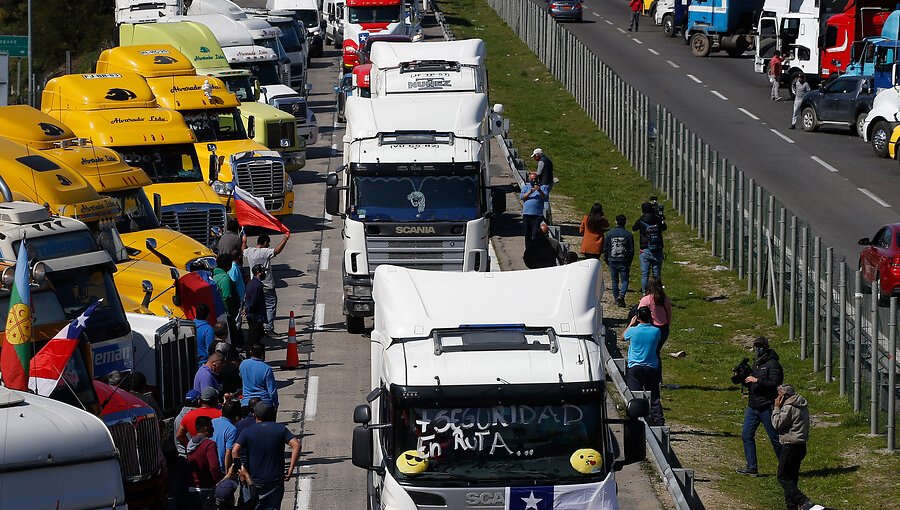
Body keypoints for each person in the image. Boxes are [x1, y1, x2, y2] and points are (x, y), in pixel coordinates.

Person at [232, 402, 302, 510]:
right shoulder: (281, 429)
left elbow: (234, 451)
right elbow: (296, 445)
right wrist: (291, 469)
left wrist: (240, 470)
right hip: (274, 479)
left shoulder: (247, 431)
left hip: (252, 479)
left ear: (255, 415)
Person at [737, 336, 784, 476]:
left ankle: (786, 467)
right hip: (753, 406)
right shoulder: (756, 364)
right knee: (746, 435)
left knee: (775, 439)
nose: (756, 349)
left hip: (767, 407)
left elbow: (775, 384)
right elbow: (752, 382)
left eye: (759, 347)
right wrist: (743, 378)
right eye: (755, 347)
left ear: (765, 348)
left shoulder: (773, 364)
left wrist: (757, 380)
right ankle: (752, 467)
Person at [772, 385, 823, 510]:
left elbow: (776, 423)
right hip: (801, 445)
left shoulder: (789, 407)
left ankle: (803, 501)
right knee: (791, 478)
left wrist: (776, 408)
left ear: (784, 396)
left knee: (782, 476)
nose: (777, 398)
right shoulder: (802, 404)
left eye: (778, 395)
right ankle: (791, 505)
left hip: (790, 445)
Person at [243, 232, 291, 335]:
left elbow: (243, 249)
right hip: (267, 285)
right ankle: (268, 328)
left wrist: (244, 241)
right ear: (265, 242)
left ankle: (260, 328)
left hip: (255, 285)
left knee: (259, 306)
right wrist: (285, 239)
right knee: (270, 305)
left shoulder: (250, 251)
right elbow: (276, 251)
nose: (268, 245)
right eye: (268, 243)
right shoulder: (265, 252)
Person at [623, 306, 664, 425]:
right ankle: (658, 421)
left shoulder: (633, 330)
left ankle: (635, 421)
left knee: (635, 395)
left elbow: (622, 337)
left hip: (635, 366)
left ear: (638, 317)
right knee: (654, 396)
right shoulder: (656, 331)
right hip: (651, 366)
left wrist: (631, 324)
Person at [186, 415, 224, 505]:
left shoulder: (189, 444)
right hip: (206, 488)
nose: (213, 429)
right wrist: (219, 481)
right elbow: (214, 467)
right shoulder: (209, 445)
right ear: (206, 428)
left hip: (192, 488)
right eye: (211, 426)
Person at [632, 202, 667, 293]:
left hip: (645, 248)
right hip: (657, 249)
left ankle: (644, 293)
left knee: (645, 274)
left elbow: (634, 228)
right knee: (656, 274)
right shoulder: (657, 219)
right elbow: (664, 227)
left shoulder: (641, 221)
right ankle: (657, 292)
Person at [605, 214, 634, 308]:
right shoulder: (628, 235)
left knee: (614, 281)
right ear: (625, 222)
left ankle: (616, 298)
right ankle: (621, 295)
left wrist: (606, 259)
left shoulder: (609, 234)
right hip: (624, 260)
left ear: (616, 222)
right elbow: (631, 250)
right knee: (625, 280)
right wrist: (629, 261)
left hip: (612, 259)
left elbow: (606, 248)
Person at [638, 276, 673, 355]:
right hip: (663, 328)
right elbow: (669, 315)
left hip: (651, 327)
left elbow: (639, 314)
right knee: (656, 351)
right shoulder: (665, 299)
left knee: (649, 351)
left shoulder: (646, 300)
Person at [240, 343, 279, 408]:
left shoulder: (243, 364)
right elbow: (272, 391)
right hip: (264, 403)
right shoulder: (267, 368)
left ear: (250, 352)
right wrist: (276, 404)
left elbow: (242, 378)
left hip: (246, 403)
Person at [519, 172, 550, 250]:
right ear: (529, 180)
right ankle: (528, 250)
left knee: (535, 234)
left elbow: (545, 198)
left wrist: (539, 190)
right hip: (527, 215)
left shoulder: (543, 188)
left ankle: (535, 250)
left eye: (535, 179)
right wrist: (530, 192)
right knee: (527, 234)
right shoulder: (526, 187)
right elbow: (522, 197)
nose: (534, 181)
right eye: (532, 179)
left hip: (537, 216)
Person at [212, 400, 242, 471]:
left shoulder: (212, 422)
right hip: (221, 468)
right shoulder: (232, 429)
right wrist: (227, 473)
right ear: (235, 415)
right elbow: (228, 453)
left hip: (210, 464)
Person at [244, 264, 268, 349]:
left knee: (254, 337)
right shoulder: (257, 285)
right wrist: (247, 309)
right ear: (258, 273)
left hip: (254, 315)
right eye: (263, 272)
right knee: (253, 339)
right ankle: (250, 355)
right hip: (255, 316)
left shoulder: (253, 283)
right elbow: (252, 301)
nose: (265, 273)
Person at [175, 389, 202, 458]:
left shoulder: (178, 417)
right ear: (198, 401)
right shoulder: (196, 417)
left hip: (182, 455)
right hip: (193, 455)